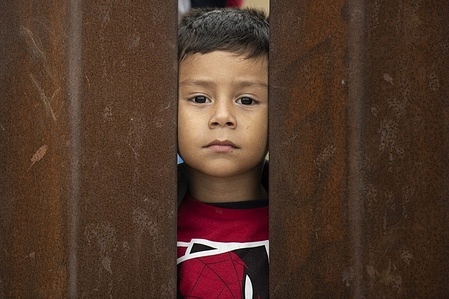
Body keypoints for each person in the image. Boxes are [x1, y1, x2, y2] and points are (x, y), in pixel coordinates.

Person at [177, 7, 269, 298]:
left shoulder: (309, 223)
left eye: (246, 99)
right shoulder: (145, 228)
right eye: (200, 98)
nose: (223, 116)